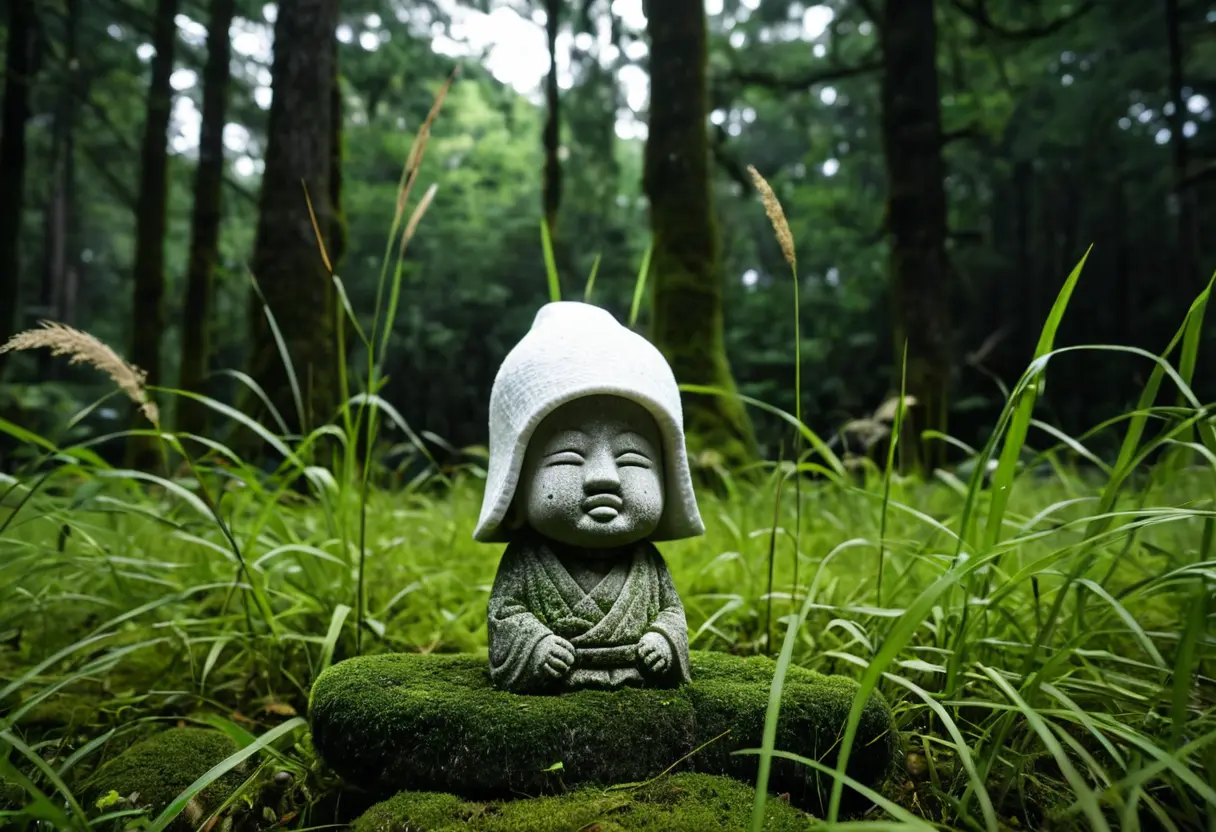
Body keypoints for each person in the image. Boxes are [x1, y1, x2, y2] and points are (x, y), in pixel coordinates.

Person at [474, 302, 705, 693]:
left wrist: (663, 641)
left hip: (635, 683)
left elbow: (671, 614)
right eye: (569, 456)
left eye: (631, 458)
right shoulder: (526, 562)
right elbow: (505, 613)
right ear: (516, 480)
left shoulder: (647, 563)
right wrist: (538, 646)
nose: (604, 478)